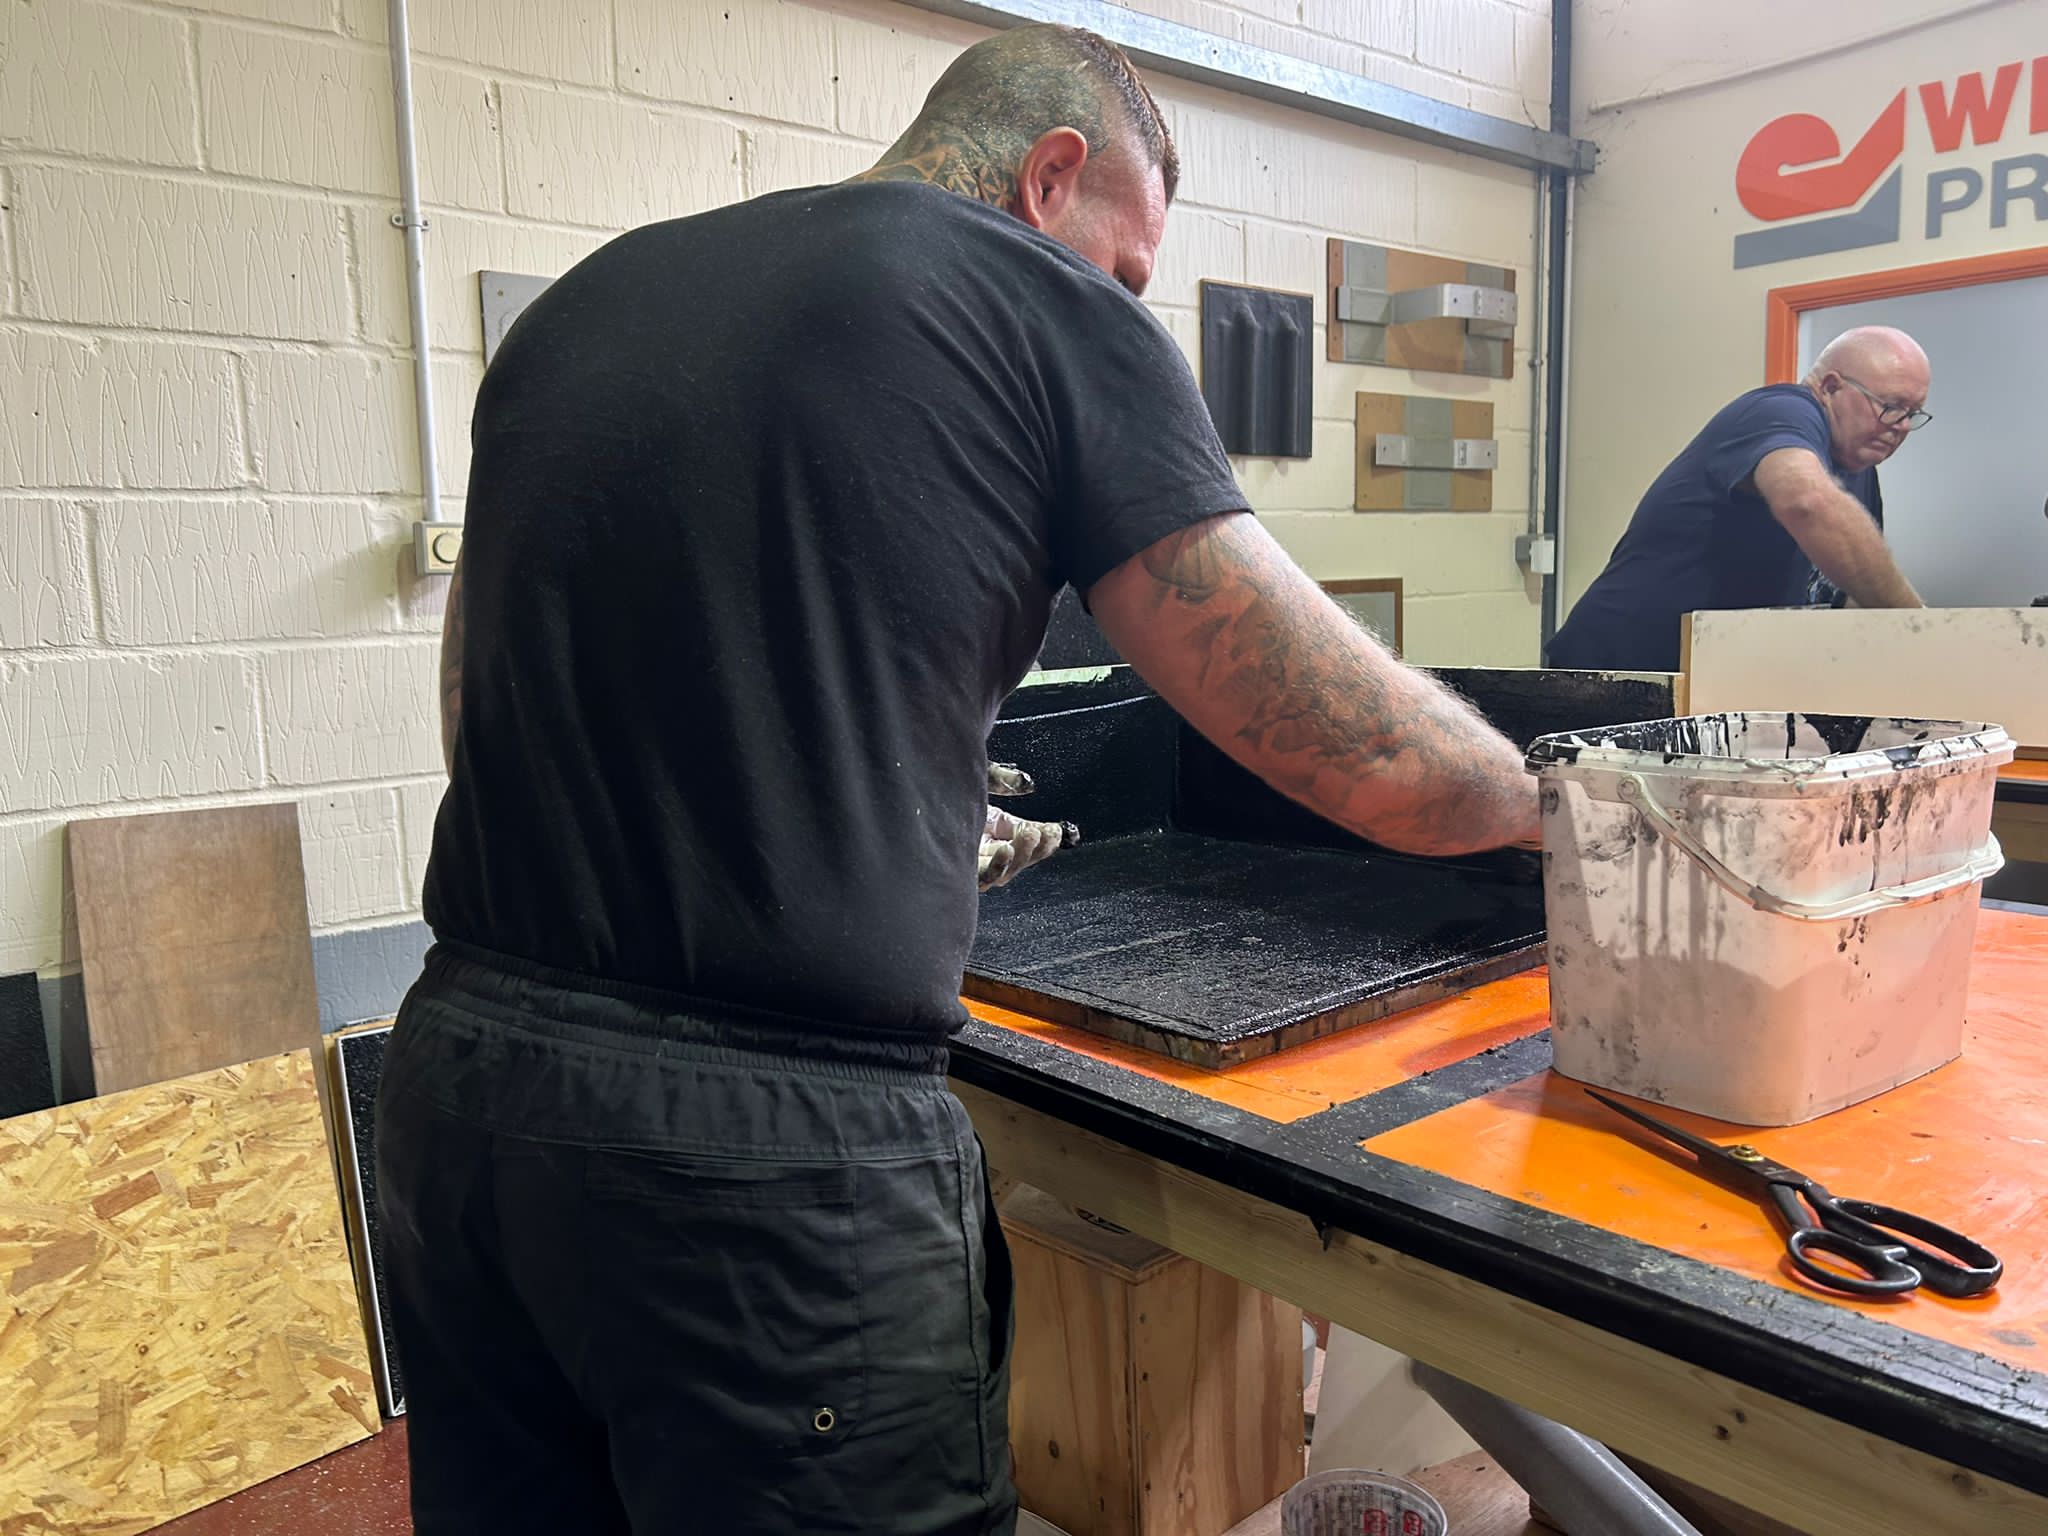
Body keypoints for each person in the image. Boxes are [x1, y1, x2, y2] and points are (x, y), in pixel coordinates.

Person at [377, 23, 1538, 1536]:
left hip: (462, 1091)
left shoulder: (583, 305)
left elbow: (478, 705)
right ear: (1052, 176)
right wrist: (1562, 802)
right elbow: (1353, 747)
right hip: (766, 1162)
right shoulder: (1038, 303)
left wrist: (862, 791)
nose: (1126, 297)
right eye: (1127, 263)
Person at [1547, 326, 1930, 672]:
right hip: (1616, 671)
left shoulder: (1859, 474)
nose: (1901, 427)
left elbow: (1854, 593)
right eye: (1890, 407)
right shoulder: (1784, 411)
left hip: (1712, 677)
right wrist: (1926, 631)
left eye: (1912, 414)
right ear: (1830, 388)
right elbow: (1806, 503)